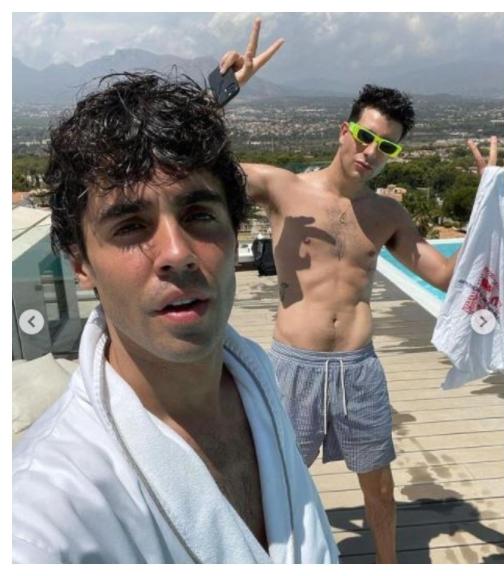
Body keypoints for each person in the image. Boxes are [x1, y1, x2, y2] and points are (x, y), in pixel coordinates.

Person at [12, 73, 336, 563]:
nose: (177, 253)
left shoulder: (257, 379)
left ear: (232, 230)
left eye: (199, 215)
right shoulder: (43, 514)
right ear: (80, 263)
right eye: (130, 226)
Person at [218, 20, 501, 563]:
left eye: (386, 145)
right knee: (276, 485)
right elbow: (198, 163)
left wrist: (488, 207)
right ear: (343, 131)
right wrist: (224, 89)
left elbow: (443, 276)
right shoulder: (282, 187)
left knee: (380, 489)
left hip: (358, 368)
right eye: (366, 136)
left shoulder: (385, 213)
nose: (371, 150)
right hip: (292, 367)